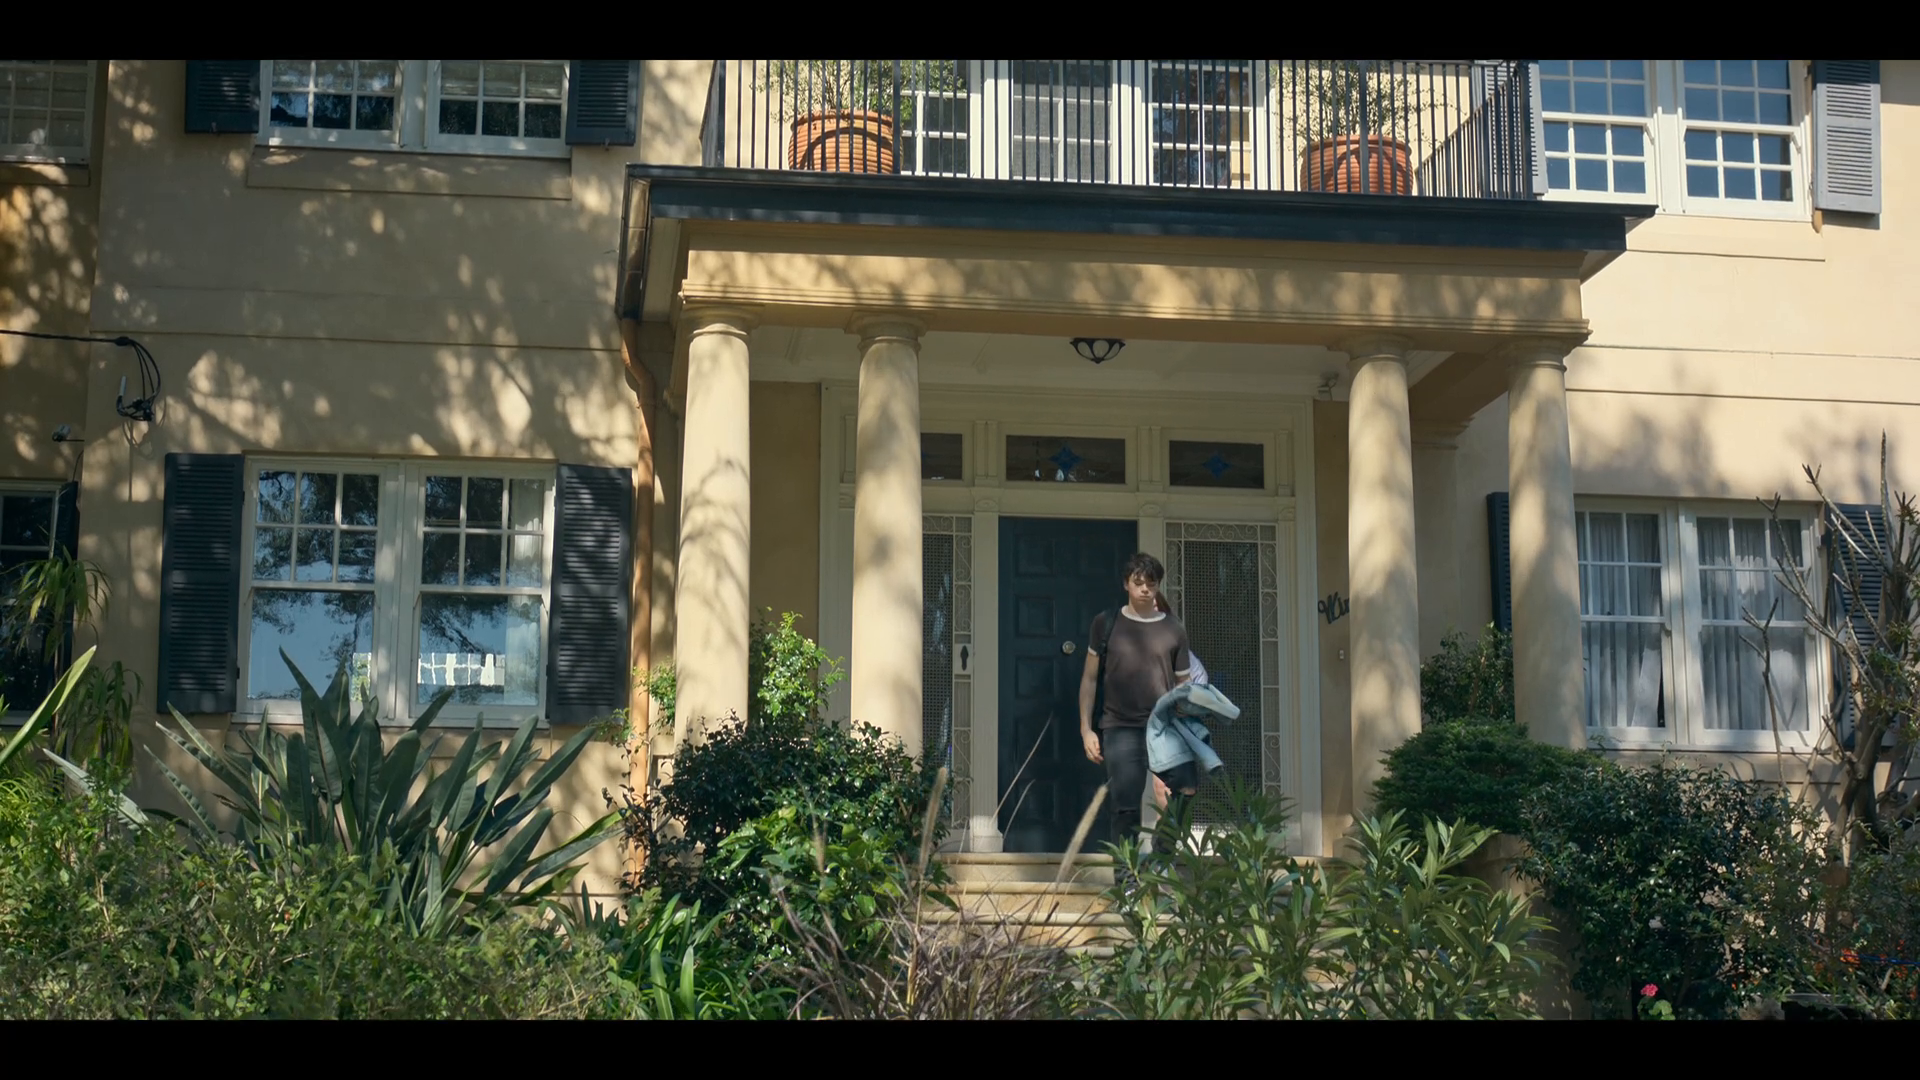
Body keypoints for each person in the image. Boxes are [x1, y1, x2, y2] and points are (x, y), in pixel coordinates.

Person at [1079, 552, 1193, 862]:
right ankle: (1127, 877)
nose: (1145, 589)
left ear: (1158, 586)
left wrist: (1187, 726)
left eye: (1151, 584)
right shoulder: (1106, 623)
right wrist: (1086, 729)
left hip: (1165, 727)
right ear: (1126, 584)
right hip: (1120, 728)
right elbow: (1089, 678)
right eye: (1138, 582)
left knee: (1184, 792)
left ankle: (1161, 855)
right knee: (1125, 806)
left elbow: (1184, 684)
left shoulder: (1174, 629)